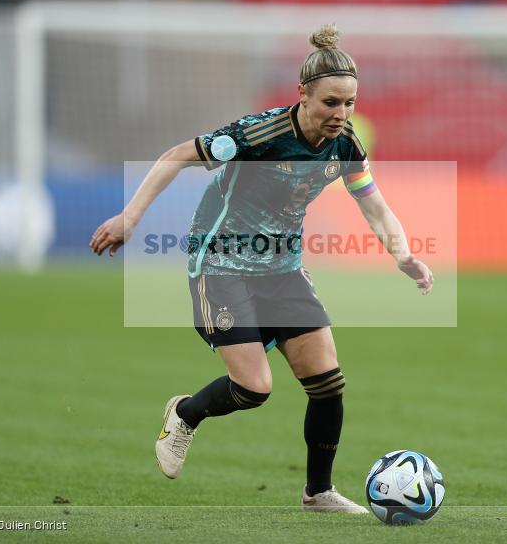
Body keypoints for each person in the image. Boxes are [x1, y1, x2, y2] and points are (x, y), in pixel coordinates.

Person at [90, 25, 433, 513]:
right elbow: (176, 156)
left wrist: (402, 255)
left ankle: (318, 492)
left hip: (282, 269)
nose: (341, 114)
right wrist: (130, 218)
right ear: (303, 95)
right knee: (254, 389)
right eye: (331, 102)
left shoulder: (346, 145)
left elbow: (373, 205)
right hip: (220, 264)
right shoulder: (258, 134)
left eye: (349, 103)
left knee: (327, 381)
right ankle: (185, 414)